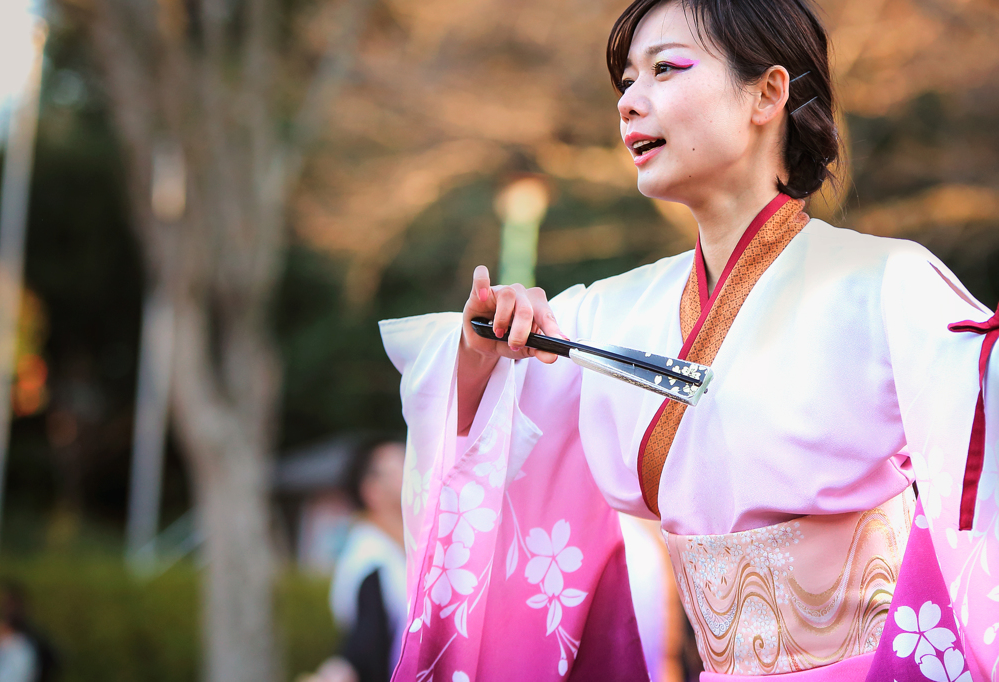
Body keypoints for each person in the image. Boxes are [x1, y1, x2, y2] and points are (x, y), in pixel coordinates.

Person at [380, 0, 999, 680]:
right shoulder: (605, 316)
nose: (630, 104)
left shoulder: (884, 284)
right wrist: (485, 352)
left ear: (766, 93)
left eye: (664, 70)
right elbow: (492, 437)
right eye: (625, 84)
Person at [304, 439, 408, 682]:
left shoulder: (399, 549)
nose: (414, 471)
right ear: (372, 490)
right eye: (399, 468)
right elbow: (365, 638)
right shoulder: (369, 557)